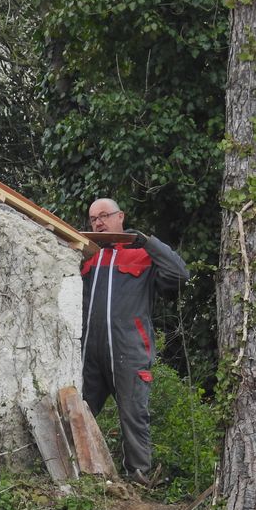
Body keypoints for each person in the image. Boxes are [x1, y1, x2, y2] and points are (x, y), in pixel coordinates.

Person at [81, 197, 189, 486]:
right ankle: (80, 471)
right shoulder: (88, 255)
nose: (99, 223)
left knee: (133, 414)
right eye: (94, 219)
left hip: (129, 351)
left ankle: (139, 477)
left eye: (104, 215)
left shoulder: (142, 254)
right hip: (89, 353)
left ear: (121, 217)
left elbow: (180, 275)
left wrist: (149, 242)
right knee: (81, 411)